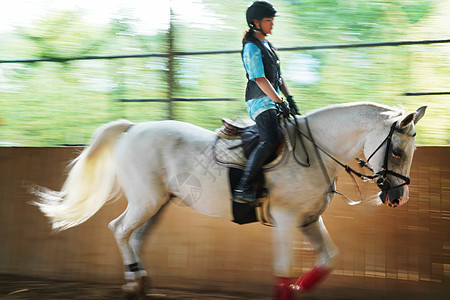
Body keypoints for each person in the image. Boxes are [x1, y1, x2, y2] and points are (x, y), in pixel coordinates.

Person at [233, 0, 298, 203]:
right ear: (256, 23)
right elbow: (259, 78)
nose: (272, 24)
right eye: (268, 20)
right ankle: (243, 188)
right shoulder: (251, 48)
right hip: (260, 102)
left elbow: (278, 77)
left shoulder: (268, 45)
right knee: (270, 139)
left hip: (274, 99)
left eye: (272, 20)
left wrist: (290, 99)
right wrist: (278, 101)